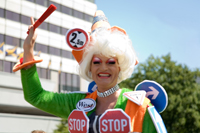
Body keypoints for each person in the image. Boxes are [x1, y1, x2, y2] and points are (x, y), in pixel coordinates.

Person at [18, 10, 163, 133]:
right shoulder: (78, 102)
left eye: (111, 62)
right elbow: (36, 96)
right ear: (90, 67)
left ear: (120, 67)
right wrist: (28, 48)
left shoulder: (141, 107)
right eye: (97, 62)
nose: (104, 68)